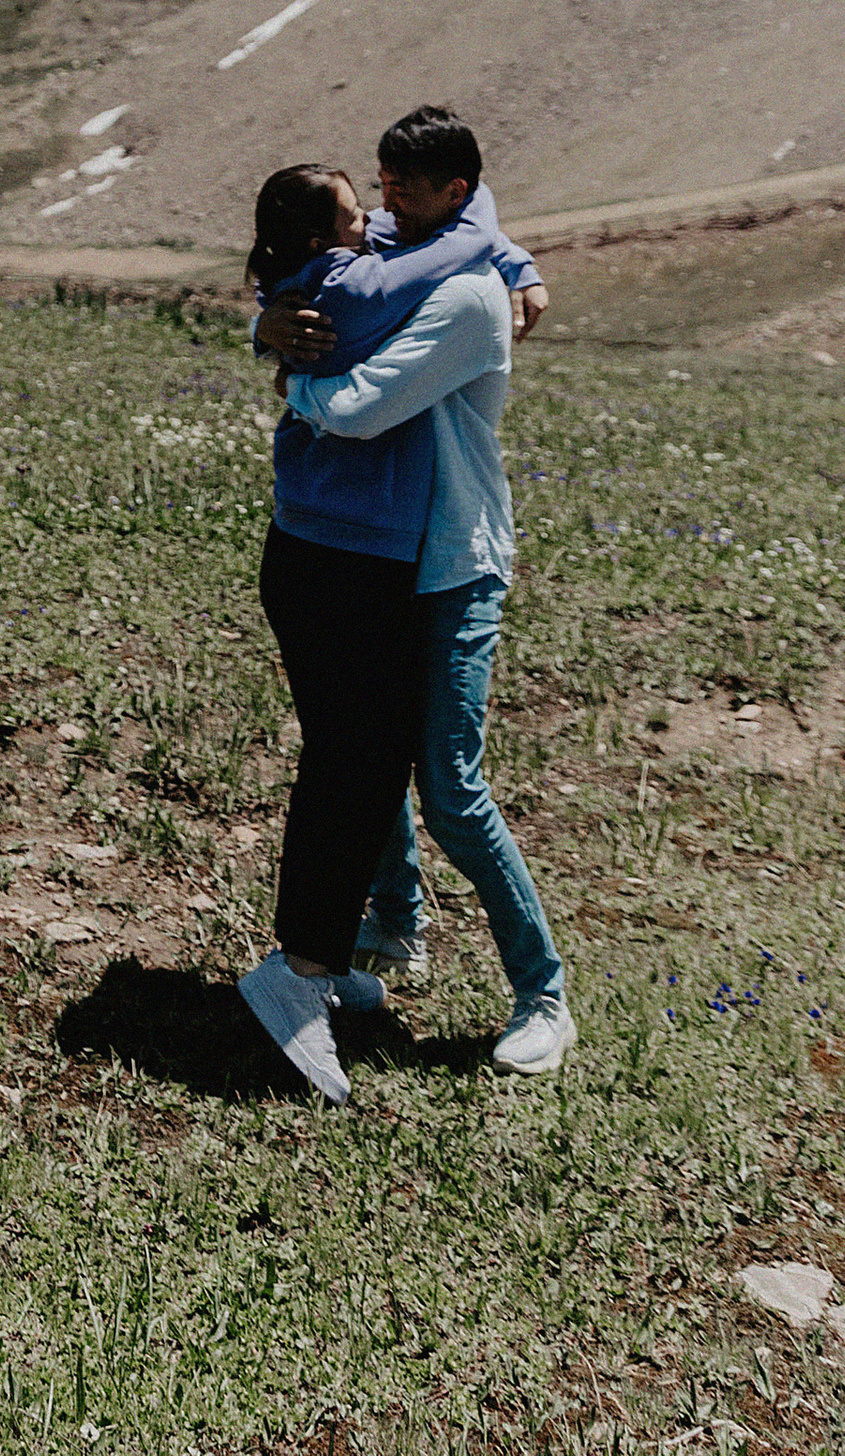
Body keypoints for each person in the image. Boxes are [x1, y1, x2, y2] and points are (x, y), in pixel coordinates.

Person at [234, 154, 541, 1103]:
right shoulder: (351, 284)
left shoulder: (347, 269)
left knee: (356, 761)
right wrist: (499, 243)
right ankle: (299, 975)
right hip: (336, 558)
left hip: (344, 555)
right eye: (359, 210)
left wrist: (509, 253)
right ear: (328, 238)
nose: (378, 221)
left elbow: (424, 247)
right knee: (353, 766)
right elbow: (411, 274)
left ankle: (328, 955)